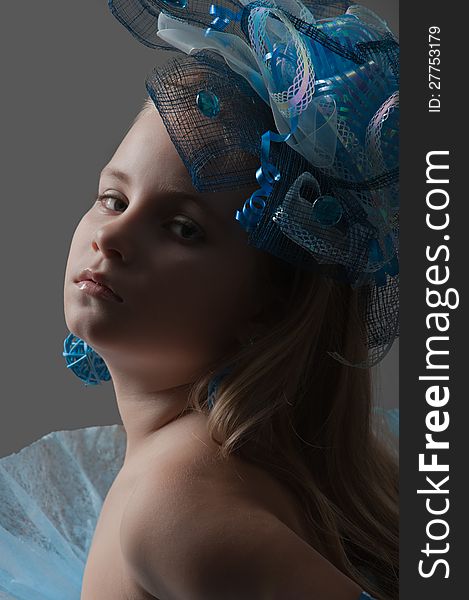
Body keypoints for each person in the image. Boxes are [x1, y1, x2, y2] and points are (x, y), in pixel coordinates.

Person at [0, 1, 399, 599]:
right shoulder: (216, 469)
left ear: (269, 306)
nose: (112, 236)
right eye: (113, 198)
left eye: (182, 228)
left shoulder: (174, 509)